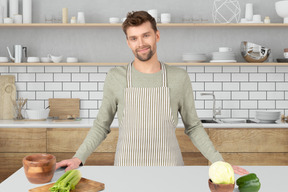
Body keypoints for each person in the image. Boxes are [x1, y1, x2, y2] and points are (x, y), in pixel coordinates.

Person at [56, 11, 248, 175]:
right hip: (126, 170)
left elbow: (194, 127)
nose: (141, 43)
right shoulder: (116, 77)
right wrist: (78, 158)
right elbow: (101, 125)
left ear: (157, 35)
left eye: (146, 35)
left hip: (169, 170)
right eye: (134, 38)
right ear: (128, 42)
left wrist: (218, 161)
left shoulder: (178, 78)